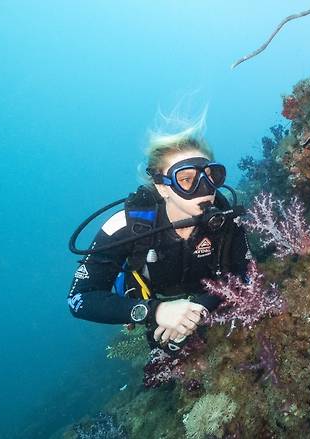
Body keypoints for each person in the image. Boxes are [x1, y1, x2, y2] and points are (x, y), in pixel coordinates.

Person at [67, 123, 251, 352]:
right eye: (186, 179)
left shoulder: (228, 219)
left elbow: (247, 274)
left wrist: (200, 308)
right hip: (150, 296)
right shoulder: (126, 225)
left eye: (211, 176)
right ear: (162, 187)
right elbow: (79, 299)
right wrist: (154, 311)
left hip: (203, 294)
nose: (205, 189)